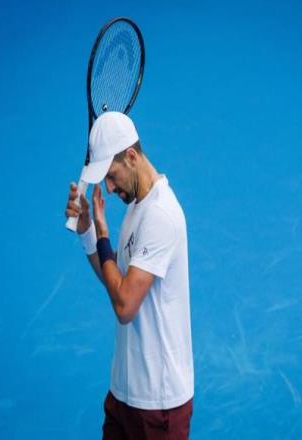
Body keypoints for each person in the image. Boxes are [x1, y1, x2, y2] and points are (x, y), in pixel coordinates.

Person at [64, 112, 194, 440]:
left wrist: (103, 235)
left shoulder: (160, 215)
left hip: (158, 403)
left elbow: (124, 306)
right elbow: (117, 283)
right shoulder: (138, 207)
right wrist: (88, 232)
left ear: (132, 157)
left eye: (111, 175)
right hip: (124, 392)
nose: (108, 188)